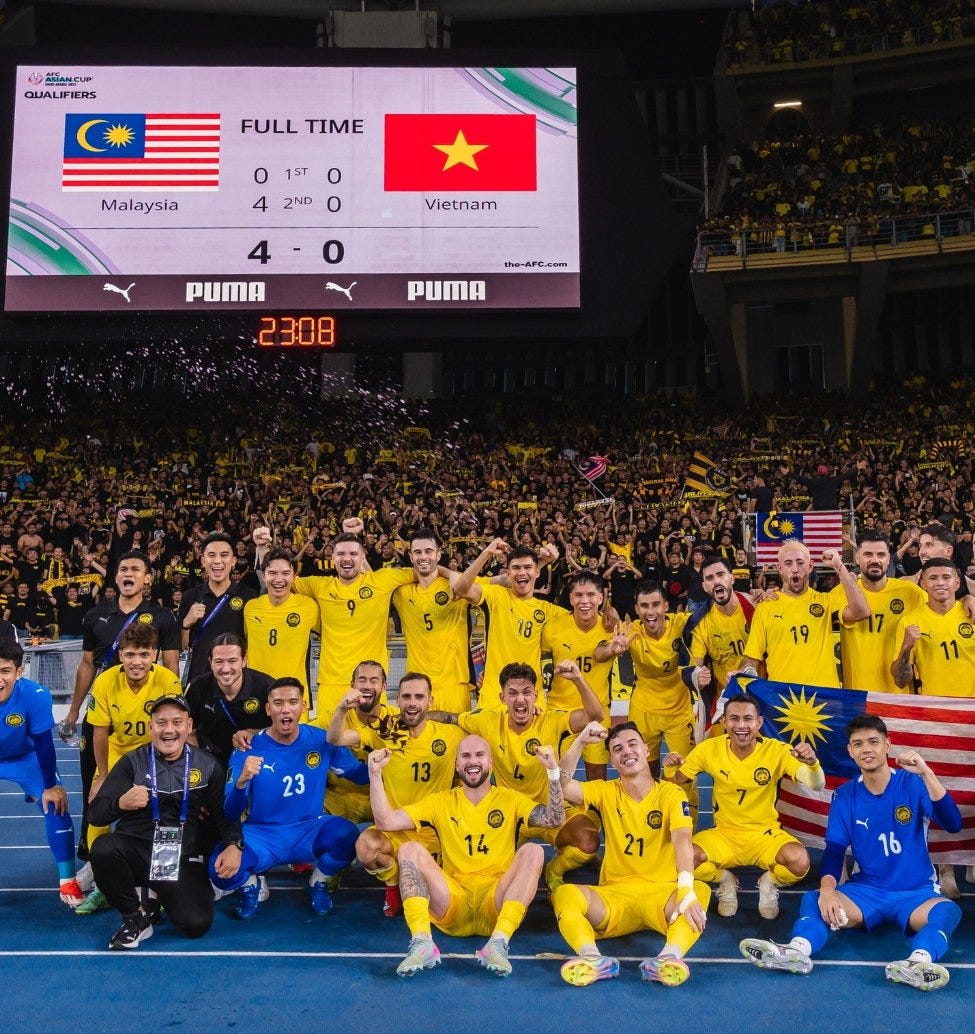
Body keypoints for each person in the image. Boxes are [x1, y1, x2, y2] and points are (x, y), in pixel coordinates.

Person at [740, 715, 963, 992]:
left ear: (887, 745)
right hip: (866, 892)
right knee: (814, 899)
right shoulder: (844, 795)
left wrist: (927, 773)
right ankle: (797, 950)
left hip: (915, 893)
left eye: (873, 742)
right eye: (858, 744)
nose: (866, 749)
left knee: (947, 911)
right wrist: (827, 890)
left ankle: (918, 962)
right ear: (850, 751)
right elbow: (834, 851)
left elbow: (953, 823)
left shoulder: (913, 783)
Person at [368, 734, 565, 978]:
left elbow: (555, 819)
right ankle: (422, 942)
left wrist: (553, 772)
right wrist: (375, 774)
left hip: (496, 902)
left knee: (533, 850)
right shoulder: (441, 801)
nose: (473, 761)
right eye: (466, 756)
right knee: (409, 849)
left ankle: (498, 943)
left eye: (479, 755)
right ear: (457, 765)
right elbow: (386, 822)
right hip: (453, 901)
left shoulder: (510, 798)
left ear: (491, 762)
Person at [553, 721, 710, 987]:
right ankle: (592, 959)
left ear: (647, 750)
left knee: (700, 891)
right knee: (564, 893)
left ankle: (668, 959)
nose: (626, 751)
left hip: (662, 896)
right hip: (615, 898)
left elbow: (683, 841)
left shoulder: (671, 793)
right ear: (613, 761)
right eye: (617, 749)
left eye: (632, 744)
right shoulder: (605, 790)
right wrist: (580, 742)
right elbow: (562, 785)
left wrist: (685, 889)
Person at [59, 549, 180, 881]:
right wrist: (74, 710)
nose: (129, 573)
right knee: (96, 791)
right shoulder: (96, 615)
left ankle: (162, 868)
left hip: (150, 723)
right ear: (116, 576)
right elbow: (87, 664)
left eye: (136, 569)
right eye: (123, 568)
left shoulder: (162, 617)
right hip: (106, 713)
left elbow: (171, 666)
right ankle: (94, 860)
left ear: (147, 578)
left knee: (166, 798)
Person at [88, 694, 243, 949]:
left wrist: (234, 845)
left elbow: (224, 814)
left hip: (180, 856)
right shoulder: (132, 762)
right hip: (137, 851)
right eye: (161, 723)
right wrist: (121, 803)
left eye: (177, 722)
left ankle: (154, 893)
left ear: (189, 726)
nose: (169, 730)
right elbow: (96, 814)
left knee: (196, 924)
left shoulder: (207, 765)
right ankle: (135, 916)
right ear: (151, 727)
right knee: (103, 849)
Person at [432, 660, 604, 889]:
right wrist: (412, 717)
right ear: (502, 698)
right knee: (485, 867)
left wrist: (578, 679)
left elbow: (596, 715)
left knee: (588, 842)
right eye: (512, 693)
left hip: (551, 808)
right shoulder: (487, 720)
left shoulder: (552, 720)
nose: (520, 699)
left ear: (536, 696)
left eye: (526, 692)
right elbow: (451, 717)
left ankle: (555, 869)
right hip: (510, 814)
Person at [208, 676, 366, 919]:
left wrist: (389, 760)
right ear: (267, 709)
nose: (285, 709)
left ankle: (318, 882)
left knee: (346, 835)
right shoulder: (246, 748)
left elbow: (357, 775)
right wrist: (241, 783)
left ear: (304, 706)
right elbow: (230, 811)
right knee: (219, 869)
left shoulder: (322, 740)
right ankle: (251, 885)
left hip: (308, 829)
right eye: (278, 703)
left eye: (293, 702)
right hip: (262, 834)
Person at [664, 691, 824, 921]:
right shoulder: (709, 749)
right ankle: (724, 879)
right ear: (724, 721)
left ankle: (769, 882)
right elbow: (674, 785)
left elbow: (816, 784)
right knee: (680, 857)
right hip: (724, 834)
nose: (741, 725)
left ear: (759, 722)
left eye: (748, 719)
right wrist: (670, 767)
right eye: (734, 718)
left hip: (765, 835)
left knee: (799, 862)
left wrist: (812, 764)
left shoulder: (777, 750)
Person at [327, 671, 464, 918]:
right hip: (394, 829)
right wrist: (341, 709)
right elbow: (335, 738)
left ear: (430, 701)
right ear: (397, 700)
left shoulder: (452, 735)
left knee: (444, 906)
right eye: (406, 697)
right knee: (365, 847)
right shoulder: (384, 734)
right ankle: (392, 883)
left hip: (436, 834)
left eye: (419, 697)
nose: (412, 703)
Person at [257, 527, 414, 723]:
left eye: (353, 553)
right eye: (341, 554)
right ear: (332, 557)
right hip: (331, 683)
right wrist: (262, 548)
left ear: (363, 556)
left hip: (370, 684)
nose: (346, 559)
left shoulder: (383, 580)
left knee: (369, 740)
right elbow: (278, 578)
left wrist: (449, 574)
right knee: (329, 740)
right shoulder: (319, 586)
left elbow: (425, 571)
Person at [890, 556, 975, 898]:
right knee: (940, 792)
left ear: (957, 582)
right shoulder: (911, 620)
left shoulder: (971, 613)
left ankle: (970, 857)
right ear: (923, 583)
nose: (940, 583)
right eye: (933, 577)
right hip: (934, 720)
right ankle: (944, 867)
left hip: (972, 717)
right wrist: (907, 647)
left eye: (946, 577)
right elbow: (900, 679)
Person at [595, 581, 700, 819]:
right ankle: (651, 820)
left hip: (679, 712)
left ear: (666, 606)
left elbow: (712, 611)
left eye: (655, 605)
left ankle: (687, 828)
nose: (650, 612)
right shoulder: (630, 631)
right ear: (636, 609)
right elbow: (598, 654)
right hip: (643, 711)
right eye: (644, 606)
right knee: (645, 772)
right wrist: (612, 649)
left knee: (684, 774)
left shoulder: (681, 623)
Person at [0, 638, 84, 907]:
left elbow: (44, 743)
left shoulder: (35, 695)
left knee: (56, 804)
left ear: (19, 671)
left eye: (4, 671)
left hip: (25, 757)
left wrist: (50, 785)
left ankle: (67, 881)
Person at [86, 623, 183, 845]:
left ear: (155, 655)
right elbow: (99, 732)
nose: (136, 662)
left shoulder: (168, 680)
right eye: (130, 654)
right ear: (121, 655)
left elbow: (176, 730)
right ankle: (97, 861)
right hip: (118, 750)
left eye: (144, 654)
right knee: (98, 807)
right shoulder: (104, 681)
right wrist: (103, 775)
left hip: (156, 754)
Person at [452, 540, 567, 709]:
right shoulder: (496, 595)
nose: (522, 572)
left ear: (537, 572)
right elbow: (460, 589)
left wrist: (608, 614)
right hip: (494, 696)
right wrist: (486, 553)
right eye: (516, 568)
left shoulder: (548, 611)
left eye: (528, 567)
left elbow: (584, 618)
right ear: (508, 572)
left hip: (530, 700)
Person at [742, 542, 869, 689]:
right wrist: (744, 670)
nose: (795, 569)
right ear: (780, 568)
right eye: (788, 563)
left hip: (823, 697)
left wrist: (839, 567)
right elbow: (752, 657)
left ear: (810, 566)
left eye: (800, 562)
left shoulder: (826, 601)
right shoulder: (765, 607)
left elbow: (862, 611)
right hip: (784, 698)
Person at [541, 572, 616, 779]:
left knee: (597, 776)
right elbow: (540, 665)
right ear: (571, 598)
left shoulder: (611, 628)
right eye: (579, 595)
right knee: (556, 777)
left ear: (600, 598)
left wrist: (613, 611)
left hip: (597, 712)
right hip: (559, 712)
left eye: (591, 595)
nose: (585, 601)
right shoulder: (552, 628)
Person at [392, 529, 475, 715]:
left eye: (428, 551)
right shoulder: (402, 592)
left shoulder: (458, 586)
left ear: (438, 554)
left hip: (455, 686)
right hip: (417, 689)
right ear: (411, 557)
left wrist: (539, 564)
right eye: (417, 552)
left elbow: (501, 581)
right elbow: (370, 582)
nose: (423, 557)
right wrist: (450, 572)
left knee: (457, 733)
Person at [833, 531, 925, 693]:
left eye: (881, 555)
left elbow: (945, 608)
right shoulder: (841, 592)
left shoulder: (910, 592)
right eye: (868, 554)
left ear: (888, 559)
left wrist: (967, 598)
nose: (875, 560)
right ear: (857, 558)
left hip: (898, 696)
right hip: (857, 694)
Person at [242, 547, 319, 707]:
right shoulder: (250, 608)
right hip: (256, 695)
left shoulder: (308, 606)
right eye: (272, 573)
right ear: (263, 576)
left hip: (294, 696)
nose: (279, 579)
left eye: (285, 573)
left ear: (294, 576)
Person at [179, 532, 258, 684]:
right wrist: (186, 624)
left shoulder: (249, 597)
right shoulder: (190, 596)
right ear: (203, 561)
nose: (217, 561)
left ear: (233, 561)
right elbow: (183, 647)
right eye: (211, 555)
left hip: (236, 680)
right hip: (200, 679)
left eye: (224, 555)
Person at [185, 632, 273, 766]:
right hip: (212, 762)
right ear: (210, 662)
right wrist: (199, 762)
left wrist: (254, 733)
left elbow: (284, 729)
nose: (225, 669)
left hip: (257, 760)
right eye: (219, 662)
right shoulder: (197, 687)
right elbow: (186, 731)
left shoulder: (266, 687)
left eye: (232, 661)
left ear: (244, 661)